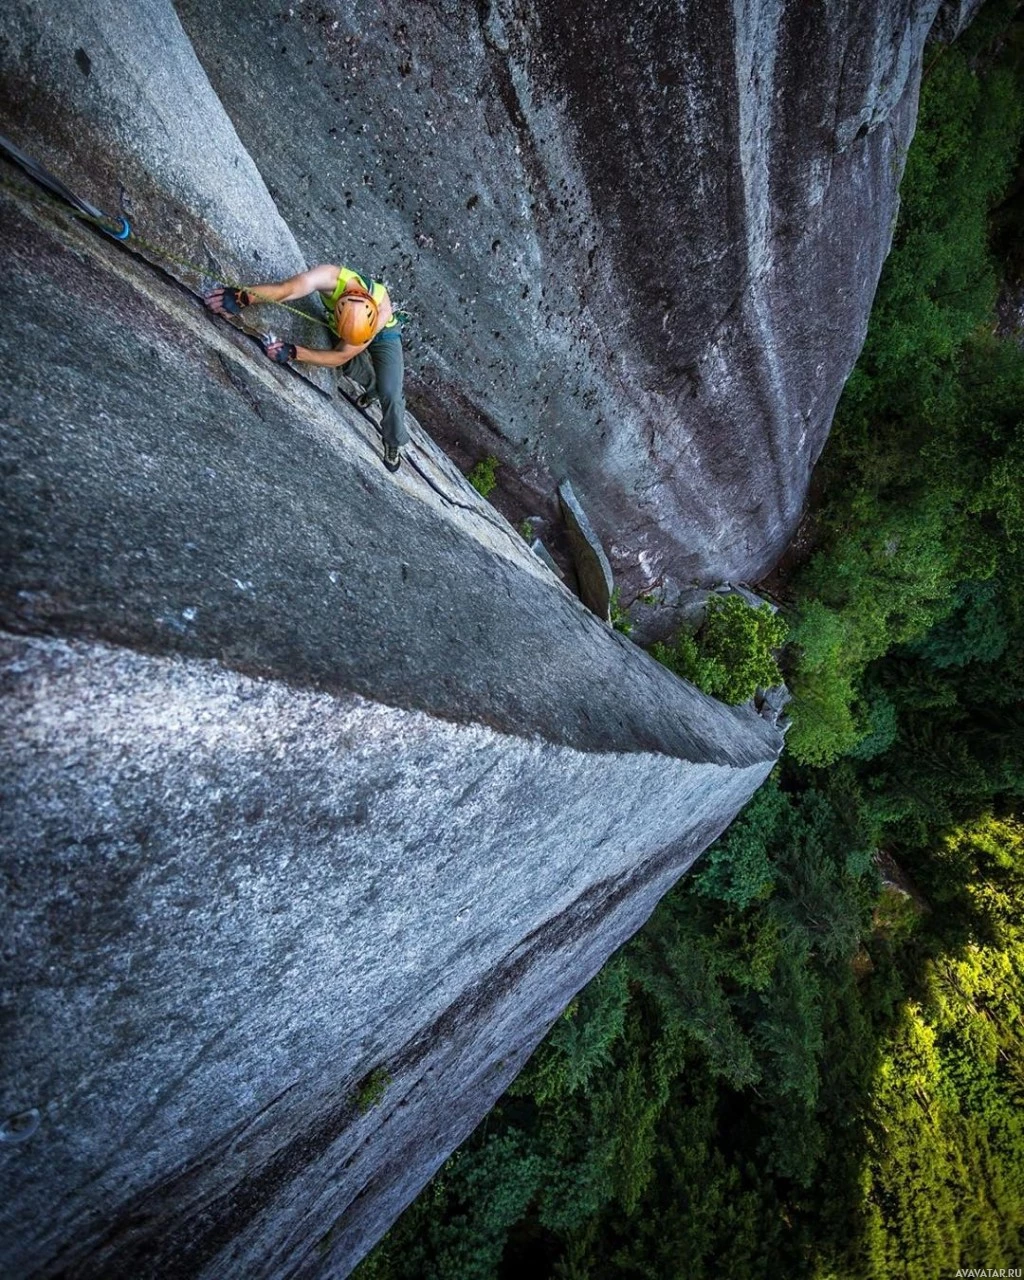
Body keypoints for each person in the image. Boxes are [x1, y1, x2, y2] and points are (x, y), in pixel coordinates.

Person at [205, 265, 408, 473]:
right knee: (353, 365)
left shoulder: (380, 313)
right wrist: (243, 297)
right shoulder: (330, 277)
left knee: (391, 393)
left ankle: (393, 440)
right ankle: (373, 387)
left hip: (384, 334)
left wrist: (294, 352)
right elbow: (288, 289)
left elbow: (340, 355)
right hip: (348, 324)